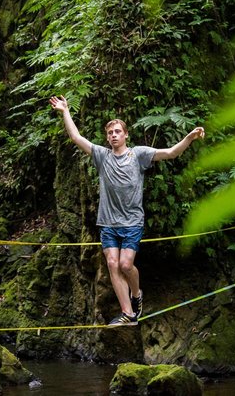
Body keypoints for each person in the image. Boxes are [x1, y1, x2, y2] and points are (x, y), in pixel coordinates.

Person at [49, 95, 205, 327]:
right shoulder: (102, 156)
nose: (113, 135)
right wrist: (65, 111)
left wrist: (189, 137)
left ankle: (136, 294)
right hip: (108, 222)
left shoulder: (138, 154)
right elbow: (75, 137)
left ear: (125, 135)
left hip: (132, 221)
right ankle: (128, 313)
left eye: (117, 131)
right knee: (112, 263)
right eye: (110, 132)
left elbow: (171, 152)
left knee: (125, 265)